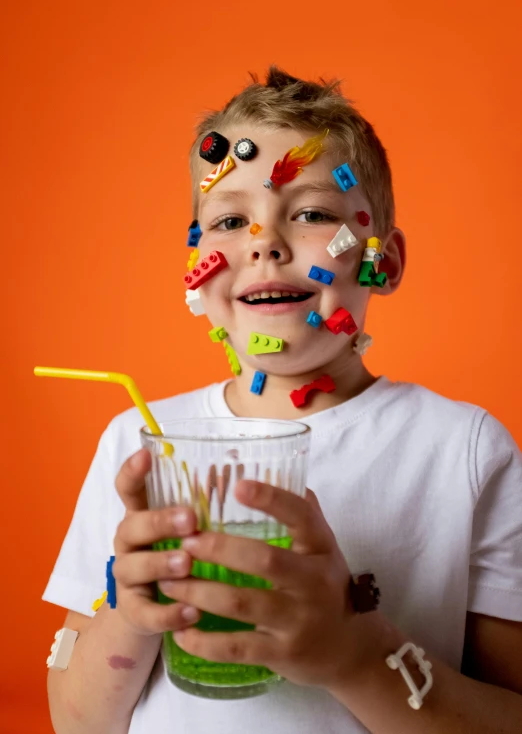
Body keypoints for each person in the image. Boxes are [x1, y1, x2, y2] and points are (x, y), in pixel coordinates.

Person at [43, 67, 522, 733]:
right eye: (231, 218)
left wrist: (351, 654)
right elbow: (75, 720)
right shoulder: (138, 442)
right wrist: (129, 610)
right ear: (196, 266)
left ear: (383, 260)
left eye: (313, 213)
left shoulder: (466, 450)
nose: (264, 242)